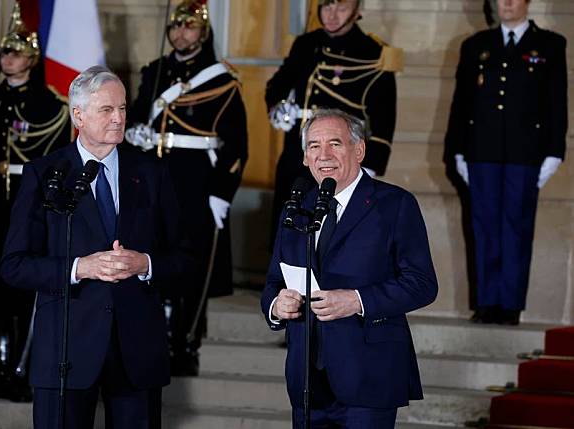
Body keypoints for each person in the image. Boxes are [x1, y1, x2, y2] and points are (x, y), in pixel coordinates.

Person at [0, 66, 192, 428]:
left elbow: (185, 258)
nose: (119, 118)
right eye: (107, 110)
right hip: (66, 350)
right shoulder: (44, 174)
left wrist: (145, 264)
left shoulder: (152, 172)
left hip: (136, 350)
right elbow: (14, 265)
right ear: (78, 115)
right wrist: (79, 268)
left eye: (122, 109)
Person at [261, 108, 438, 428]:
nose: (323, 155)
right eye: (314, 146)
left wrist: (357, 300)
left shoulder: (394, 204)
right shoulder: (296, 207)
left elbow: (422, 283)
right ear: (304, 158)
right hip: (307, 381)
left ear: (359, 150)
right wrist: (277, 305)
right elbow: (274, 280)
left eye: (335, 144)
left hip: (368, 377)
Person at [126, 0, 247, 376]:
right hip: (154, 177)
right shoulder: (155, 72)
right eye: (176, 27)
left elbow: (238, 145)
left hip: (196, 182)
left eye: (189, 26)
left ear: (203, 32)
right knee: (154, 258)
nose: (181, 33)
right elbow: (137, 116)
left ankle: (186, 343)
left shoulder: (221, 81)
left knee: (191, 265)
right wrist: (133, 132)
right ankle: (157, 337)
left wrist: (221, 193)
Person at [0, 2, 71, 402]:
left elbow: (55, 159)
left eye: (18, 51)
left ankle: (24, 375)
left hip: (28, 203)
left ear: (33, 58)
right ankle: (2, 374)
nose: (9, 58)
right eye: (6, 51)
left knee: (24, 293)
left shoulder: (49, 105)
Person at [445, 0, 567, 325]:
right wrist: (456, 149)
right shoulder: (476, 46)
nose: (506, 3)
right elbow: (462, 103)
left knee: (516, 227)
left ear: (527, 2)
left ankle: (510, 304)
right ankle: (486, 302)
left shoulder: (550, 45)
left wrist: (555, 151)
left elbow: (558, 101)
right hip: (481, 152)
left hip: (525, 155)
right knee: (483, 227)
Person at [266, 0, 400, 243]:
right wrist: (278, 107)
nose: (332, 15)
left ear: (357, 11)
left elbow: (383, 118)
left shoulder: (373, 52)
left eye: (341, 8)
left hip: (340, 161)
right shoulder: (306, 44)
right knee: (288, 234)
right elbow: (277, 85)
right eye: (327, 7)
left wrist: (368, 165)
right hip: (299, 155)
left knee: (332, 237)